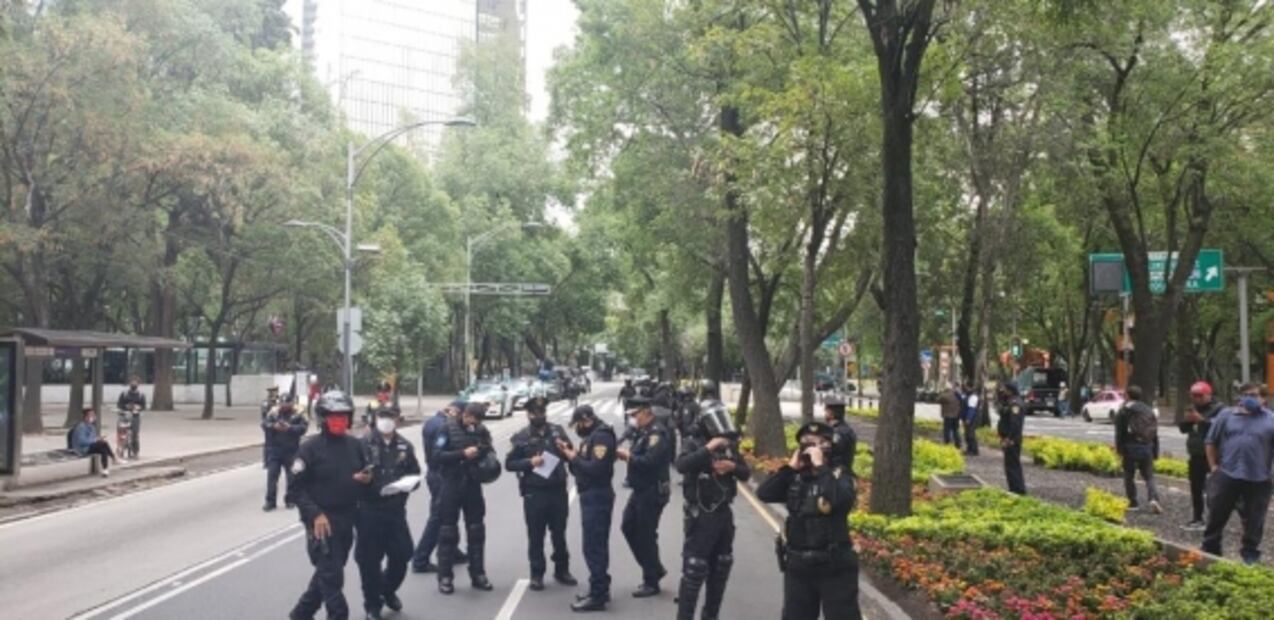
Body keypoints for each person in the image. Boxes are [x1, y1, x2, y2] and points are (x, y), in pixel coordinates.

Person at [756, 422, 861, 619]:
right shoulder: (796, 477)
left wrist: (821, 467)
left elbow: (840, 500)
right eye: (805, 444)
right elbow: (764, 493)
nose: (810, 449)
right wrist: (790, 468)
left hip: (834, 565)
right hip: (799, 566)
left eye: (816, 444)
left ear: (828, 447)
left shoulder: (841, 476)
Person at [287, 390, 371, 620]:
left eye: (344, 416)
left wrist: (366, 479)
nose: (339, 421)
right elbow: (294, 489)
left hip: (347, 519)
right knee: (333, 579)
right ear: (323, 419)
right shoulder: (309, 448)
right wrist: (315, 514)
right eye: (333, 416)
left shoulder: (355, 445)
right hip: (321, 523)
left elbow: (366, 475)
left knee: (329, 573)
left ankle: (301, 613)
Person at [674, 401, 750, 620]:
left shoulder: (729, 444)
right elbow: (682, 465)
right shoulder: (693, 441)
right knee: (694, 569)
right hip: (700, 515)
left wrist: (732, 466)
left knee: (721, 566)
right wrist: (708, 449)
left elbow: (746, 473)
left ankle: (711, 615)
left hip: (723, 513)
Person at [505, 396, 578, 591]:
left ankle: (562, 570)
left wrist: (566, 449)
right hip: (534, 492)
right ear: (528, 415)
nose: (540, 416)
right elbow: (509, 464)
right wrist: (529, 463)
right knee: (536, 535)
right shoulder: (521, 437)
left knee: (559, 533)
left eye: (542, 413)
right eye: (536, 413)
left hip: (557, 490)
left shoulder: (557, 431)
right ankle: (537, 574)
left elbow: (571, 454)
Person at [355, 406, 420, 620]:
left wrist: (408, 484)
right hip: (369, 511)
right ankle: (372, 605)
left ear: (398, 420)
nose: (386, 421)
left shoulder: (404, 446)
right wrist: (365, 481)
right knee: (369, 561)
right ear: (375, 419)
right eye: (382, 417)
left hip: (395, 510)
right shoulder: (362, 445)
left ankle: (387, 589)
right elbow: (352, 478)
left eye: (391, 417)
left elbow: (415, 473)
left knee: (403, 554)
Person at [1201, 383, 1274, 564]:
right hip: (1228, 474)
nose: (1249, 398)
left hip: (1259, 478)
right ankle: (1211, 549)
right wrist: (1213, 466)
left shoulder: (1271, 420)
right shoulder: (1226, 416)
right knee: (1217, 513)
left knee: (1255, 519)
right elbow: (1210, 441)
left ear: (1264, 399)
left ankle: (1249, 554)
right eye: (1245, 394)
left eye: (1254, 395)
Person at [558, 404, 617, 612]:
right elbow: (581, 467)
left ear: (587, 419)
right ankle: (599, 587)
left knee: (594, 546)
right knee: (593, 545)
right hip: (590, 495)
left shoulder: (602, 437)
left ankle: (598, 596)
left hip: (597, 496)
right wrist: (570, 455)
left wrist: (575, 458)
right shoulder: (591, 436)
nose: (578, 429)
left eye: (579, 424)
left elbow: (596, 469)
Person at [434, 402, 495, 594]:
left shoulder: (481, 430)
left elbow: (489, 449)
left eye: (477, 421)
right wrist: (462, 454)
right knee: (447, 531)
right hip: (451, 483)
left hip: (472, 484)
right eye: (470, 419)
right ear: (464, 414)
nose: (473, 423)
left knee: (476, 530)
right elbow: (436, 455)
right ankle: (445, 577)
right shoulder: (446, 428)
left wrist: (483, 453)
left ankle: (478, 574)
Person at [617, 395, 672, 598]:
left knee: (646, 534)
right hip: (640, 490)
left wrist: (628, 456)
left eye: (635, 414)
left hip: (652, 491)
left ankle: (651, 580)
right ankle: (655, 568)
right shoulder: (643, 431)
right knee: (628, 526)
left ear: (645, 412)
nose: (633, 418)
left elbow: (649, 461)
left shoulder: (657, 433)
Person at [411, 401, 467, 573]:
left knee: (449, 514)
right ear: (456, 412)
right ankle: (420, 559)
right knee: (438, 517)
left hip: (435, 474)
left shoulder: (433, 421)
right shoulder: (442, 426)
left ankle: (452, 550)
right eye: (463, 416)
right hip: (441, 475)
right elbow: (441, 453)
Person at [1180, 381, 1222, 530]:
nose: (1196, 399)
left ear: (1208, 394)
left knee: (1216, 490)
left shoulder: (1219, 409)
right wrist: (1187, 420)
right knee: (1195, 488)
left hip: (1214, 455)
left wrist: (1202, 420)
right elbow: (1183, 429)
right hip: (1196, 453)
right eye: (1193, 396)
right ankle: (1198, 518)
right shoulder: (1192, 408)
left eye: (1199, 396)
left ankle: (1217, 519)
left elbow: (1221, 428)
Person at [1115, 385, 1162, 514]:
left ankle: (1133, 502)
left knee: (1129, 476)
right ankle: (1153, 498)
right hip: (1147, 446)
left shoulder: (1125, 410)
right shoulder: (1148, 410)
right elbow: (1154, 431)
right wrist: (1155, 451)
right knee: (1149, 476)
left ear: (1128, 395)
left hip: (1130, 447)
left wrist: (1119, 449)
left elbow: (1120, 432)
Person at [263, 397, 309, 511]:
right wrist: (273, 426)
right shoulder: (274, 413)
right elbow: (264, 424)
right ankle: (270, 501)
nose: (284, 405)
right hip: (275, 450)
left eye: (287, 403)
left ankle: (290, 500)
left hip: (291, 450)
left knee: (292, 477)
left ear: (292, 403)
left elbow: (303, 428)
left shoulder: (298, 413)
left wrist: (290, 428)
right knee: (272, 476)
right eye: (282, 403)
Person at [996, 383, 1027, 495]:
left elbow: (1015, 424)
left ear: (1011, 390)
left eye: (1005, 390)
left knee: (1013, 465)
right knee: (1010, 465)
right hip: (1009, 438)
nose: (1003, 392)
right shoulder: (1010, 402)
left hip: (1012, 440)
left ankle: (1018, 489)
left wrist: (1009, 439)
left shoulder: (1015, 404)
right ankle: (1013, 488)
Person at [71, 408, 116, 477]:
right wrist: (95, 440)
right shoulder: (81, 427)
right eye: (91, 415)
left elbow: (92, 438)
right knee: (104, 444)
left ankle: (105, 470)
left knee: (103, 449)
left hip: (90, 447)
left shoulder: (91, 426)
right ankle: (114, 458)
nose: (93, 417)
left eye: (93, 415)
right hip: (82, 449)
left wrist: (98, 439)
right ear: (86, 417)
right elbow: (82, 441)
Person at [823, 396, 857, 476]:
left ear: (831, 414)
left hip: (836, 474)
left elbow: (833, 454)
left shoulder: (837, 433)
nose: (824, 414)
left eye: (826, 412)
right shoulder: (847, 429)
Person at [117, 376, 147, 457]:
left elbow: (144, 406)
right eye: (132, 382)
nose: (134, 384)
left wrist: (138, 408)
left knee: (135, 434)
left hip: (135, 416)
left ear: (138, 384)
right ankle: (120, 449)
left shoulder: (141, 395)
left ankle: (135, 451)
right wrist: (126, 407)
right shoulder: (124, 394)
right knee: (121, 432)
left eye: (135, 382)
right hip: (124, 414)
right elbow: (119, 404)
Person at [938, 384, 962, 449]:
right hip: (956, 415)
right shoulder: (956, 395)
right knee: (956, 430)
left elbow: (939, 399)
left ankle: (947, 443)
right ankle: (958, 443)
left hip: (948, 415)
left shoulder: (945, 395)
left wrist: (942, 392)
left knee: (947, 430)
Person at [961, 383, 980, 456]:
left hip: (971, 419)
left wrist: (968, 419)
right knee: (967, 434)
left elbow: (971, 409)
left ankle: (973, 450)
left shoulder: (973, 397)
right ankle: (969, 449)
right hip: (967, 418)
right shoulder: (968, 396)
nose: (966, 388)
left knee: (971, 434)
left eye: (967, 387)